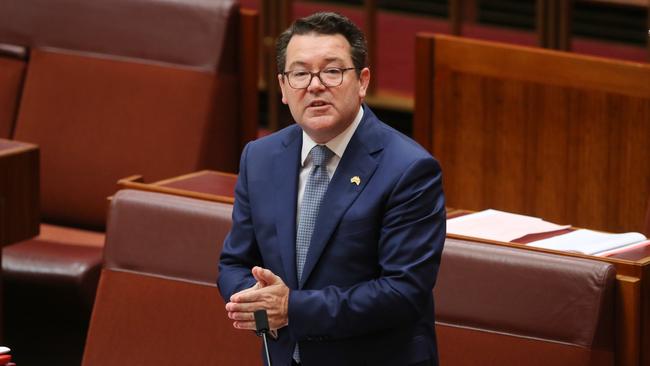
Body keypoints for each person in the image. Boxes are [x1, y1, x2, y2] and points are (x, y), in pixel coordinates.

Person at [218, 12, 445, 366]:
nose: (315, 85)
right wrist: (258, 307)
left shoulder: (409, 169)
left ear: (362, 81)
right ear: (282, 87)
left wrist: (290, 307)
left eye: (332, 71)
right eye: (300, 73)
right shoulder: (259, 158)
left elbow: (403, 291)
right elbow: (235, 263)